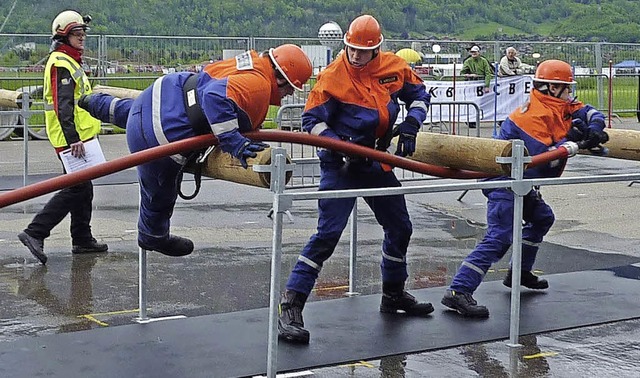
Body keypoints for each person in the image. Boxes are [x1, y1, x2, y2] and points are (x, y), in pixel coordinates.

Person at [277, 14, 433, 344]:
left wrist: (411, 124)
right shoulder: (333, 77)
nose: (355, 56)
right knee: (328, 235)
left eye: (363, 52)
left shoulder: (394, 68)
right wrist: (338, 146)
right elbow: (311, 121)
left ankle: (393, 294)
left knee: (400, 226)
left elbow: (419, 95)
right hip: (342, 167)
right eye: (351, 49)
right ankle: (291, 305)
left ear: (377, 50)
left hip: (376, 162)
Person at [79, 44, 313, 257]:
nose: (288, 96)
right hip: (164, 135)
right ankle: (153, 235)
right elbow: (213, 97)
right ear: (281, 80)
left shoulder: (249, 63)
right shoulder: (259, 85)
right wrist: (234, 142)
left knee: (130, 113)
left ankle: (92, 102)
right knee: (159, 194)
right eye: (290, 90)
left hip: (161, 95)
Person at [441, 59, 608, 317]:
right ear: (553, 88)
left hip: (522, 178)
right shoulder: (530, 117)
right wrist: (573, 140)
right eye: (566, 88)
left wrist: (595, 127)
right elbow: (543, 156)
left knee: (542, 218)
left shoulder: (557, 104)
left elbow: (589, 112)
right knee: (501, 236)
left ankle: (519, 272)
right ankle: (458, 291)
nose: (570, 93)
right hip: (503, 180)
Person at [18, 10, 108, 265]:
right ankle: (36, 232)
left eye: (83, 33)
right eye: (77, 34)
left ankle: (82, 239)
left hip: (80, 136)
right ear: (64, 36)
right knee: (77, 187)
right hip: (72, 139)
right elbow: (62, 105)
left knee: (84, 187)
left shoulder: (69, 60)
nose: (82, 38)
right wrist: (73, 139)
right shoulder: (61, 63)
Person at [461, 45, 493, 128]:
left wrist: (486, 85)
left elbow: (488, 73)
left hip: (481, 83)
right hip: (471, 84)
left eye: (475, 52)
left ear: (479, 52)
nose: (473, 53)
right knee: (472, 102)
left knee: (481, 102)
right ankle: (470, 120)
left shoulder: (484, 61)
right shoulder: (468, 61)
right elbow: (462, 72)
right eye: (472, 52)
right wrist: (469, 75)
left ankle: (478, 118)